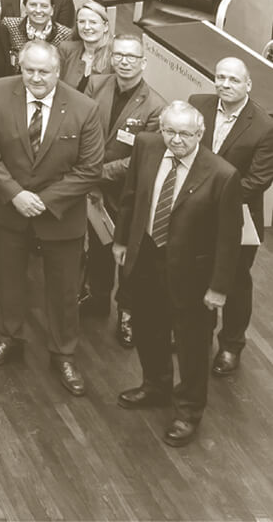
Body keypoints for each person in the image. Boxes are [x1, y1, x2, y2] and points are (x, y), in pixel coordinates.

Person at [0, 40, 105, 396]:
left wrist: (42, 202)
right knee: (8, 279)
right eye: (29, 70)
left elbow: (90, 168)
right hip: (10, 207)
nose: (35, 77)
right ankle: (10, 337)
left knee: (63, 289)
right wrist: (15, 193)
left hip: (60, 215)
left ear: (58, 71)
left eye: (43, 71)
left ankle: (63, 353)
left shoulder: (84, 108)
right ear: (20, 65)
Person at [113, 101, 244, 447]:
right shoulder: (146, 145)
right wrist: (122, 240)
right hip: (145, 258)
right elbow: (131, 196)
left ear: (200, 134)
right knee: (146, 326)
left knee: (191, 344)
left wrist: (218, 289)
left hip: (192, 274)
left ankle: (188, 411)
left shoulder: (222, 174)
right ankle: (155, 386)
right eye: (169, 131)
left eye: (185, 134)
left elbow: (230, 240)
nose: (175, 140)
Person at [190, 58, 273, 377]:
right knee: (196, 274)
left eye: (233, 80)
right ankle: (197, 335)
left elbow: (258, 181)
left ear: (248, 85)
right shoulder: (198, 104)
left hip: (238, 218)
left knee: (235, 282)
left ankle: (231, 345)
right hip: (195, 212)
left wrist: (211, 201)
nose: (224, 84)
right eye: (219, 77)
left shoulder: (265, 125)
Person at [81, 34, 165, 345]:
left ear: (143, 62)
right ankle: (97, 297)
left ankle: (127, 312)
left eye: (131, 56)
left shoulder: (156, 106)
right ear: (112, 58)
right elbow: (81, 129)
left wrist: (97, 174)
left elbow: (142, 159)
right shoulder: (95, 84)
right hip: (91, 188)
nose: (124, 61)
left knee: (130, 256)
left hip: (129, 193)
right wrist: (89, 177)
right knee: (98, 246)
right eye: (119, 55)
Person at [2, 0, 76, 66]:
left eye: (44, 6)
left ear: (52, 10)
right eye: (33, 5)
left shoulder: (66, 36)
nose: (38, 10)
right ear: (25, 7)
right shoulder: (9, 26)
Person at [67, 1, 113, 89]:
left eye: (93, 22)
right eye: (82, 22)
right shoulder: (67, 49)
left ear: (106, 26)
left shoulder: (114, 57)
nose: (86, 27)